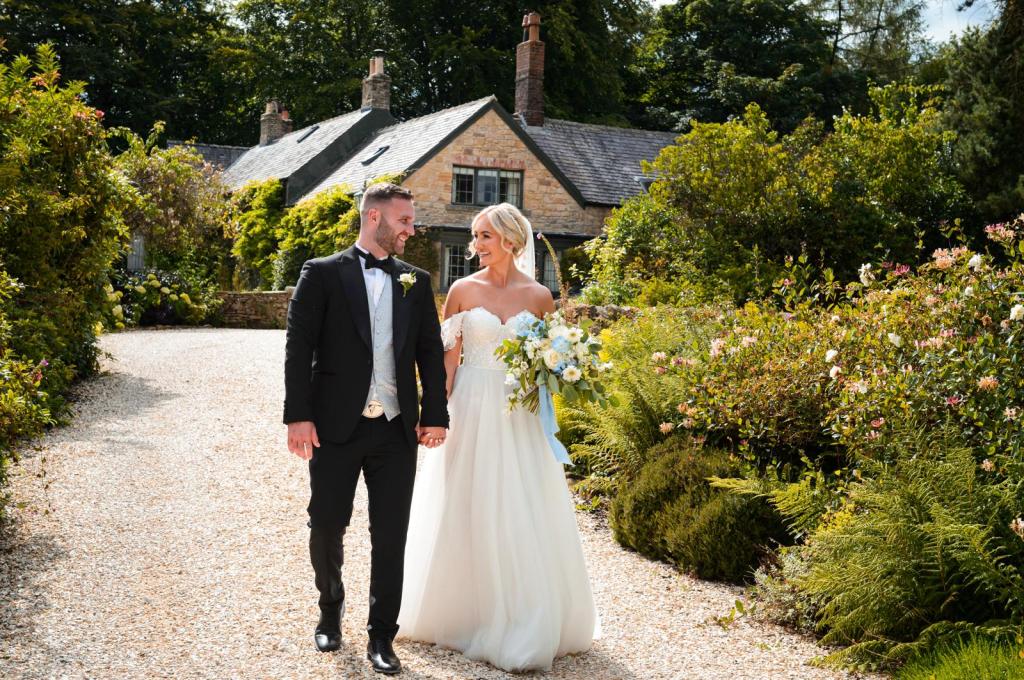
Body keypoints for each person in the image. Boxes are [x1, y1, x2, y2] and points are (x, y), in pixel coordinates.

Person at [397, 202, 599, 672]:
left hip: (521, 414)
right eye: (475, 235)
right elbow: (447, 362)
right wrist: (434, 414)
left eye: (484, 236)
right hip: (471, 406)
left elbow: (550, 358)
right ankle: (461, 612)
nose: (476, 245)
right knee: (467, 501)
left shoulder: (540, 297)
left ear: (510, 240)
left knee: (520, 505)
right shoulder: (462, 291)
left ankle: (526, 617)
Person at [283, 182, 448, 675]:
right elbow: (299, 348)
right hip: (335, 425)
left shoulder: (416, 283)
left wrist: (435, 414)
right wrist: (298, 414)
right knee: (327, 523)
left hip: (395, 431)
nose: (411, 230)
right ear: (374, 217)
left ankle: (382, 636)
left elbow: (429, 355)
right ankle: (330, 610)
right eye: (404, 221)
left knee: (391, 533)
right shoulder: (322, 273)